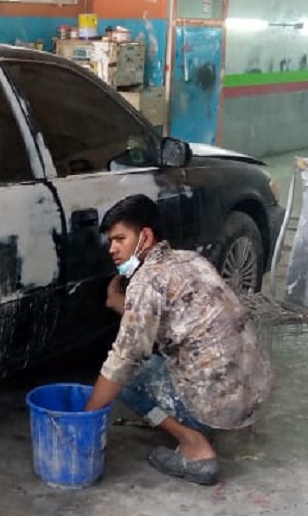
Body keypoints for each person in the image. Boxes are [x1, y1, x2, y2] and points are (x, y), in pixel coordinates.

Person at [84, 194, 273, 485]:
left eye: (120, 239)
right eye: (111, 241)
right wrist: (117, 303)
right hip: (254, 394)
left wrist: (85, 419)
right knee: (154, 358)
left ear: (145, 237)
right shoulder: (190, 260)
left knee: (127, 376)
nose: (112, 249)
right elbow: (169, 320)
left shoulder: (147, 281)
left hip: (218, 409)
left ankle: (195, 446)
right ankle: (215, 420)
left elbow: (122, 361)